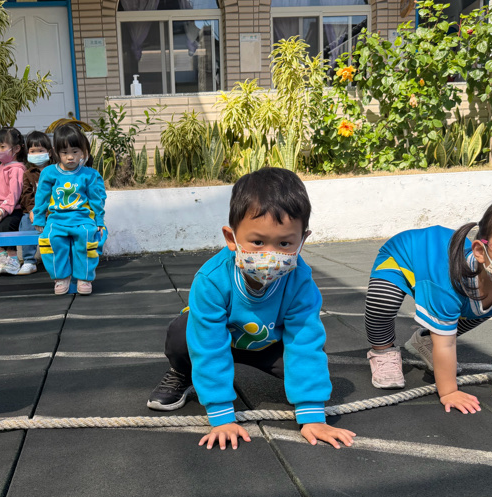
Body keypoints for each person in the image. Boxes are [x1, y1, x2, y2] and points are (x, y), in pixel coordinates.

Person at [147, 167, 356, 451]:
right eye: (257, 242)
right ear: (231, 238)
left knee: (306, 359)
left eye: (284, 243)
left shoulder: (300, 283)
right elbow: (208, 346)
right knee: (183, 333)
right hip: (221, 337)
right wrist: (221, 416)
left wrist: (312, 415)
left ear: (302, 240)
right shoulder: (211, 280)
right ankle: (183, 373)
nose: (270, 255)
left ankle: (303, 396)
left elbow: (304, 342)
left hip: (267, 343)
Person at [364, 194, 492, 414]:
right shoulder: (448, 283)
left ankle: (425, 340)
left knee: (482, 307)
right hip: (404, 255)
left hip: (447, 274)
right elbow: (446, 343)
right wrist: (449, 391)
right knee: (382, 303)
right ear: (479, 251)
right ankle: (382, 350)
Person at [33, 124, 106, 295]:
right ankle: (61, 277)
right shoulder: (49, 173)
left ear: (83, 152)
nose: (70, 157)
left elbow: (97, 200)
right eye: (65, 152)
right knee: (50, 240)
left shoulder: (89, 174)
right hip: (56, 220)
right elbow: (42, 197)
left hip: (82, 219)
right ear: (56, 152)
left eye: (75, 151)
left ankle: (84, 278)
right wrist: (39, 218)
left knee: (87, 239)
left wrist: (99, 221)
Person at [0, 126, 29, 275]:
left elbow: (14, 194)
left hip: (14, 210)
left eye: (3, 147)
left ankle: (13, 258)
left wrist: (3, 210)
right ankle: (2, 255)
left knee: (6, 226)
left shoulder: (17, 169)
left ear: (16, 149)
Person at [17, 130, 56, 273]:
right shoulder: (28, 174)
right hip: (33, 212)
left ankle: (56, 258)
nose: (37, 154)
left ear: (49, 153)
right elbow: (26, 195)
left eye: (40, 150)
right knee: (26, 223)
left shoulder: (55, 172)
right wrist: (32, 210)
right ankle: (28, 260)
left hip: (53, 211)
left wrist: (49, 211)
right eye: (32, 151)